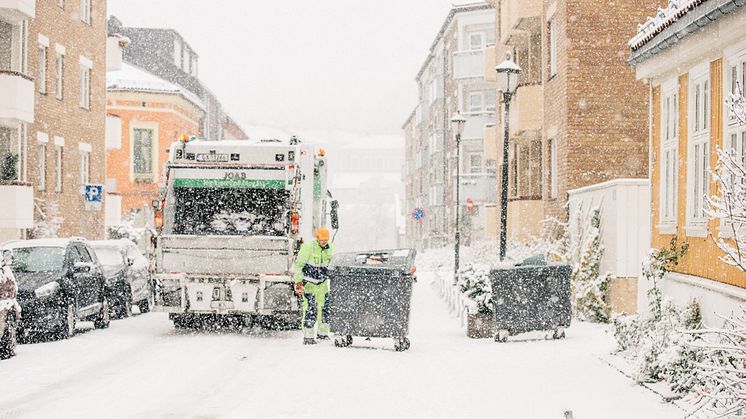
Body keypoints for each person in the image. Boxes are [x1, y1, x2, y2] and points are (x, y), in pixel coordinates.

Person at [293, 227, 334, 345]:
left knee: (325, 308)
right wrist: (298, 282)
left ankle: (323, 333)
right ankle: (308, 336)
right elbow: (299, 265)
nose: (324, 242)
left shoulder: (330, 248)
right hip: (309, 284)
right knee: (311, 309)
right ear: (317, 239)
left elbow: (331, 264)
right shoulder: (308, 247)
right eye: (322, 240)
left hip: (322, 284)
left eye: (326, 240)